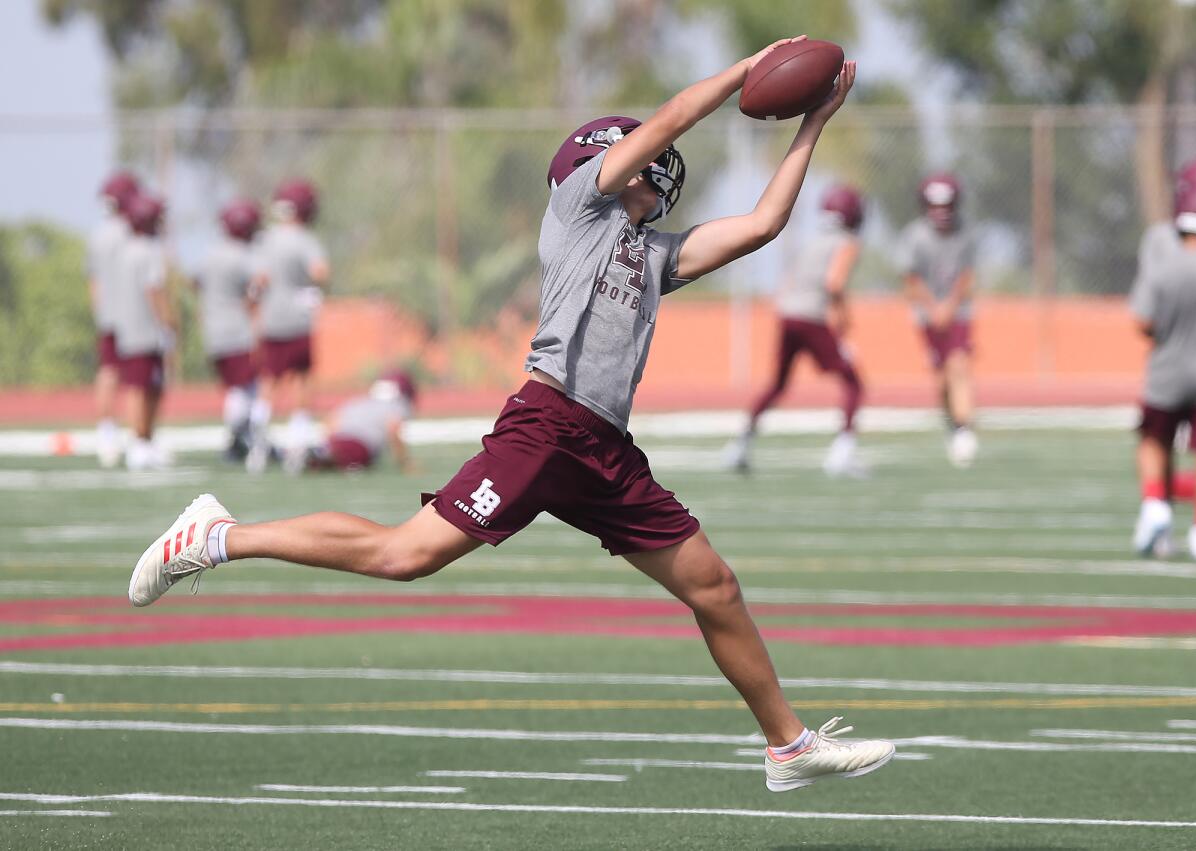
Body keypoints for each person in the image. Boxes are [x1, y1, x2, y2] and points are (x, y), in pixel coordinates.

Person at [129, 40, 894, 792]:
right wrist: (745, 72)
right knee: (405, 556)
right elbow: (664, 126)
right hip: (548, 421)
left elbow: (761, 226)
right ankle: (219, 536)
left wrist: (812, 124)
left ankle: (786, 745)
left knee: (714, 586)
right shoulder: (579, 208)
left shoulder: (652, 253)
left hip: (604, 448)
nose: (657, 166)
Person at [724, 185, 866, 476]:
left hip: (788, 316)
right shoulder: (847, 242)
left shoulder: (813, 241)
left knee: (777, 385)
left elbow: (788, 283)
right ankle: (843, 452)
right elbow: (834, 284)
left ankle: (740, 444)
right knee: (853, 382)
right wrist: (843, 321)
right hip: (813, 317)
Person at [1130, 185, 1196, 559]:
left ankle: (1155, 505)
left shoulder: (1164, 261)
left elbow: (1141, 319)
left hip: (1167, 370)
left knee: (1154, 441)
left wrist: (1165, 334)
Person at [246, 179, 330, 472]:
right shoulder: (305, 239)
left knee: (268, 380)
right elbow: (319, 271)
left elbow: (258, 280)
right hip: (297, 318)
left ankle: (257, 441)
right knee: (301, 380)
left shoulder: (265, 239)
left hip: (271, 318)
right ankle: (297, 444)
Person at [897, 173, 978, 467]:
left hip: (958, 312)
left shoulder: (965, 232)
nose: (941, 212)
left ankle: (964, 429)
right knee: (942, 377)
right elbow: (910, 280)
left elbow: (967, 275)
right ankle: (953, 424)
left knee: (959, 365)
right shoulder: (914, 236)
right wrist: (933, 308)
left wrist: (950, 305)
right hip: (927, 315)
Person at [112, 192, 174, 471]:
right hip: (145, 332)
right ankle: (140, 441)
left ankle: (143, 440)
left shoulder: (124, 249)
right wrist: (168, 321)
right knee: (143, 388)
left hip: (127, 328)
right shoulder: (148, 250)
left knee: (143, 387)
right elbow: (154, 290)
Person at [197, 199, 262, 462]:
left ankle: (241, 437)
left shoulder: (210, 254)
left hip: (214, 328)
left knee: (236, 387)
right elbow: (256, 291)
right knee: (245, 387)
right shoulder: (244, 256)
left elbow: (197, 283)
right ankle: (238, 439)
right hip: (238, 329)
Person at [87, 171, 140, 467]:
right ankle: (137, 437)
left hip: (108, 313)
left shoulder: (98, 234)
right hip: (133, 315)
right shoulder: (130, 233)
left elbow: (94, 281)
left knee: (107, 370)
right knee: (135, 377)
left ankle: (106, 433)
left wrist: (101, 311)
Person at [284, 370, 416, 473]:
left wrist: (328, 440)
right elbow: (393, 428)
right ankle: (314, 456)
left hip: (336, 439)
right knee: (341, 460)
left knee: (329, 459)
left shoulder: (359, 401)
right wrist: (404, 462)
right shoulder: (398, 405)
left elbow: (331, 421)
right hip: (360, 445)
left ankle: (314, 454)